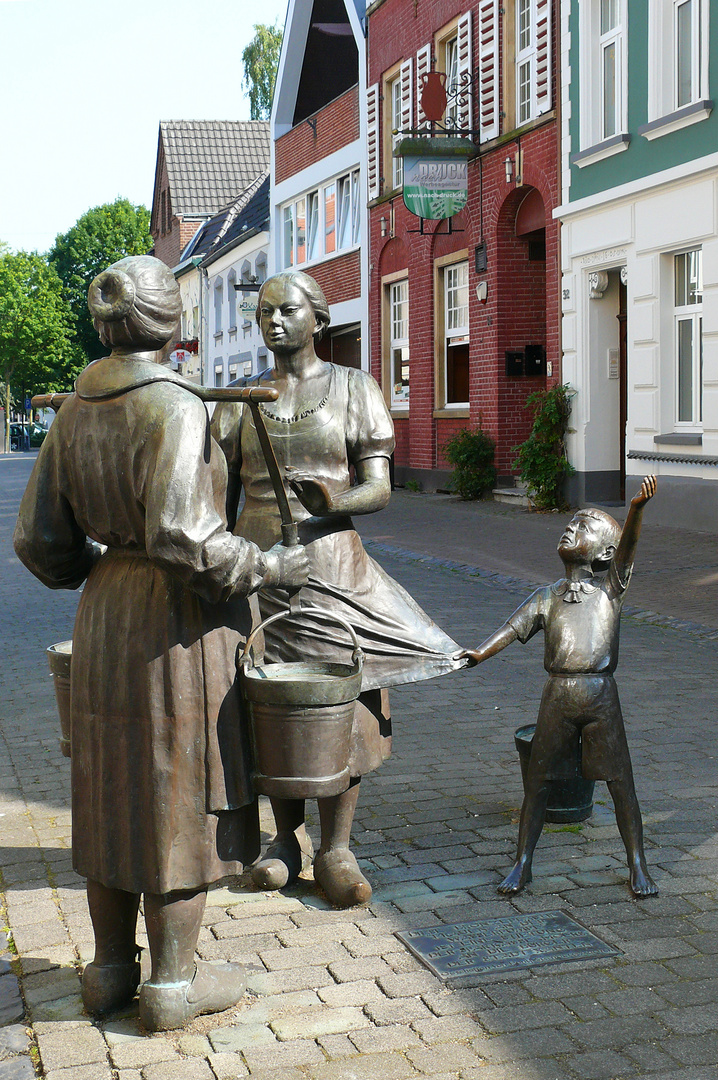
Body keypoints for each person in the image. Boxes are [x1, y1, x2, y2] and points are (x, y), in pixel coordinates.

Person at [14, 255, 309, 1031]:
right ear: (169, 324)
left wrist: (102, 569)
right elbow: (185, 537)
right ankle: (172, 986)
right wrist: (266, 564)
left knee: (110, 783)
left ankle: (110, 971)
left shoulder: (75, 405)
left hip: (107, 613)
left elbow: (39, 541)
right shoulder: (174, 404)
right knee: (179, 789)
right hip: (175, 621)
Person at [211, 270, 464, 908]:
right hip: (262, 568)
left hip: (332, 567)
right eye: (264, 312)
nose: (273, 321)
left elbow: (380, 487)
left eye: (287, 310)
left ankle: (337, 846)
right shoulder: (240, 399)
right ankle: (283, 840)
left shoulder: (355, 388)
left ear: (318, 318)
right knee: (267, 698)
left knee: (342, 695)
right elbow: (220, 496)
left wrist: (337, 499)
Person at [459, 477, 659, 898]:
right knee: (538, 782)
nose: (571, 527)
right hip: (557, 695)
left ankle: (637, 863)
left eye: (583, 525)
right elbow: (512, 630)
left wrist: (636, 510)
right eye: (570, 521)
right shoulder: (545, 596)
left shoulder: (611, 589)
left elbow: (629, 551)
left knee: (621, 781)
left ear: (605, 552)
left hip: (601, 696)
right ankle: (522, 862)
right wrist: (479, 653)